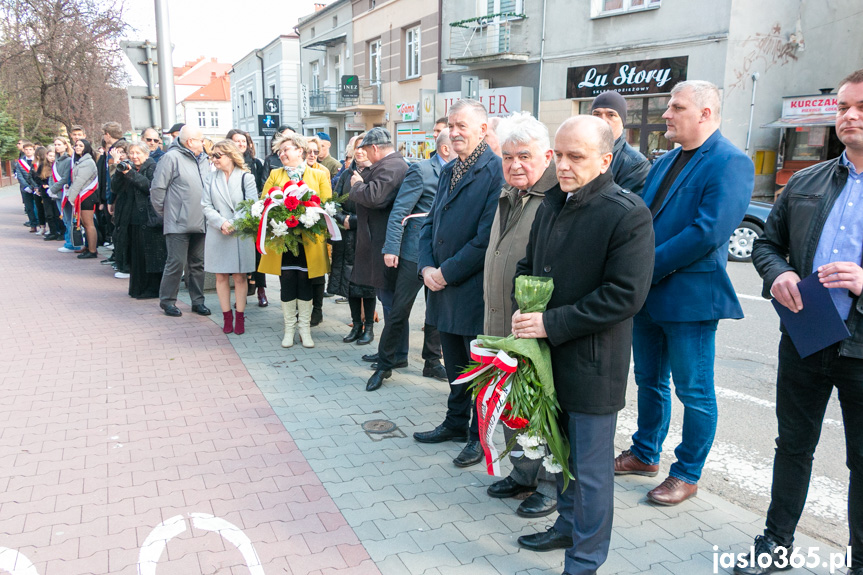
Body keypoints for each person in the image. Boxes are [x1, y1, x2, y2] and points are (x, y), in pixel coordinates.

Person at [512, 115, 655, 575]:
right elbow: (528, 262)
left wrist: (550, 323)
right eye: (558, 154)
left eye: (577, 156)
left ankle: (585, 560)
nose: (564, 165)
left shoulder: (626, 211)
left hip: (592, 363)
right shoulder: (553, 202)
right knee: (560, 454)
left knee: (592, 472)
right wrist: (522, 299)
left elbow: (625, 296)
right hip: (547, 355)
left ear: (605, 159)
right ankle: (567, 527)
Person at [739, 69, 863, 575]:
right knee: (792, 445)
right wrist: (779, 274)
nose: (849, 116)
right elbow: (767, 245)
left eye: (861, 108)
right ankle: (775, 543)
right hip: (806, 337)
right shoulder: (807, 180)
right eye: (843, 107)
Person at [614, 80, 754, 505]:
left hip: (690, 298)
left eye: (676, 108)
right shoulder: (666, 159)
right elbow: (640, 213)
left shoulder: (731, 162)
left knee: (694, 391)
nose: (666, 115)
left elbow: (707, 231)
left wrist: (645, 266)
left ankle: (687, 472)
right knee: (648, 381)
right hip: (648, 295)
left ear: (705, 113)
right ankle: (644, 453)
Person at [413, 99, 505, 468]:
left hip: (469, 289)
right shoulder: (450, 169)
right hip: (440, 286)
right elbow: (429, 223)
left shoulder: (495, 172)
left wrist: (445, 272)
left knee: (476, 369)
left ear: (483, 130)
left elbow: (486, 239)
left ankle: (477, 437)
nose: (454, 132)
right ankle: (453, 423)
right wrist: (425, 267)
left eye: (462, 126)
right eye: (451, 125)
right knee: (453, 368)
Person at [482, 112, 560, 518]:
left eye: (524, 156)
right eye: (508, 156)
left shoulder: (554, 198)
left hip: (534, 330)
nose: (515, 164)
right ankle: (523, 472)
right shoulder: (508, 193)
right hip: (500, 323)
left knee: (541, 409)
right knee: (512, 406)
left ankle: (549, 483)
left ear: (546, 156)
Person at [366, 130, 453, 392]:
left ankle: (432, 360)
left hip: (444, 254)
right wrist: (391, 247)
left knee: (436, 310)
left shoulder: (463, 172)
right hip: (414, 252)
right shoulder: (422, 170)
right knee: (400, 309)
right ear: (445, 149)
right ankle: (385, 364)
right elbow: (400, 210)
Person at [258, 132, 332, 348]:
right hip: (283, 240)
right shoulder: (275, 174)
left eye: (286, 150)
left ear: (300, 150)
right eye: (280, 151)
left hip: (309, 240)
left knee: (306, 283)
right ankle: (289, 329)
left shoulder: (318, 175)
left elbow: (328, 205)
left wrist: (307, 215)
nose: (282, 154)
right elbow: (264, 203)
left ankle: (305, 330)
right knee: (287, 282)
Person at [349, 127, 410, 350]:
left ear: (374, 148)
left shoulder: (392, 166)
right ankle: (391, 352)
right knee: (389, 304)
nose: (364, 154)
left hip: (387, 245)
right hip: (381, 244)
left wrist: (357, 185)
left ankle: (394, 353)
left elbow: (375, 197)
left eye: (365, 149)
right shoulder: (388, 165)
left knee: (392, 305)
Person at [150, 125, 211, 318]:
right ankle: (167, 301)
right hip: (177, 221)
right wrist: (167, 213)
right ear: (191, 141)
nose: (204, 142)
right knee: (175, 262)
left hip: (201, 220)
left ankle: (198, 301)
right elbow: (157, 190)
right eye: (201, 139)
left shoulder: (205, 159)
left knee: (197, 263)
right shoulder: (171, 158)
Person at [202, 140, 259, 335]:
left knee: (240, 276)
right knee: (220, 276)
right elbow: (206, 205)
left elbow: (252, 205)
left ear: (231, 155)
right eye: (212, 155)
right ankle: (227, 317)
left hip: (240, 232)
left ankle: (240, 317)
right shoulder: (210, 178)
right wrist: (221, 223)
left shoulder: (246, 178)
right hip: (218, 231)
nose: (214, 159)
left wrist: (234, 223)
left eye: (218, 155)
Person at [330, 134, 378, 345]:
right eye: (356, 148)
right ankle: (355, 326)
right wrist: (342, 218)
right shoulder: (346, 174)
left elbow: (378, 206)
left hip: (367, 235)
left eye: (363, 147)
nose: (359, 151)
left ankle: (369, 327)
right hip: (346, 236)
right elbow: (335, 200)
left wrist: (354, 220)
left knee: (367, 285)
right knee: (350, 284)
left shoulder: (376, 172)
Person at [227, 128, 268, 307]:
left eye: (244, 141)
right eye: (237, 141)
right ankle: (241, 294)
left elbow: (261, 187)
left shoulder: (256, 164)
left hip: (254, 214)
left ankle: (261, 291)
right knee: (238, 257)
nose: (241, 144)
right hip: (233, 215)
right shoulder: (227, 164)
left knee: (258, 255)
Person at [122, 143, 164, 300]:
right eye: (131, 153)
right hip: (134, 218)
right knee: (137, 256)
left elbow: (151, 188)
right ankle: (138, 288)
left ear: (146, 154)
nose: (134, 156)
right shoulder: (129, 168)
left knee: (152, 256)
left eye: (138, 153)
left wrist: (131, 174)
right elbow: (117, 188)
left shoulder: (153, 167)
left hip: (150, 219)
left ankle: (152, 289)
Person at [590, 90, 651, 196]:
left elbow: (625, 208)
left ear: (622, 122)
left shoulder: (636, 164)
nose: (603, 120)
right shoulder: (580, 153)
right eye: (597, 114)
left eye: (611, 115)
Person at [67, 139, 100, 259]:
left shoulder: (88, 162)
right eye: (76, 145)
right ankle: (88, 247)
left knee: (88, 223)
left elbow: (79, 182)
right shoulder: (80, 161)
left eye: (81, 145)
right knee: (84, 224)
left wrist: (71, 198)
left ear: (86, 147)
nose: (77, 147)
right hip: (81, 195)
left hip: (87, 196)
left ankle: (92, 250)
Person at [100, 121, 127, 248]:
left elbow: (112, 175)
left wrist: (109, 198)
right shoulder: (115, 148)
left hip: (117, 194)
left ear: (108, 135)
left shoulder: (116, 150)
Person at [109, 141, 133, 278]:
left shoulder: (130, 166)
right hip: (119, 202)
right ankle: (120, 262)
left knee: (124, 235)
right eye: (117, 152)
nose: (120, 155)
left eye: (122, 152)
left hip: (128, 205)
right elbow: (112, 184)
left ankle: (125, 265)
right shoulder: (117, 166)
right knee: (117, 234)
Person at [53, 137, 80, 253]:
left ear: (65, 145)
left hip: (64, 193)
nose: (57, 147)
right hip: (57, 193)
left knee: (69, 219)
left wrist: (53, 188)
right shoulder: (56, 160)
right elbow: (51, 177)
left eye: (59, 144)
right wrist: (51, 188)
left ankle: (71, 243)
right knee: (65, 219)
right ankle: (68, 241)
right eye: (55, 144)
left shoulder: (68, 160)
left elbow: (65, 178)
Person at [32, 147, 63, 240]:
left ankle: (61, 231)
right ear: (46, 156)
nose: (52, 158)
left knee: (58, 213)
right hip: (45, 192)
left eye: (53, 156)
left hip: (56, 191)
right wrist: (43, 184)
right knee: (49, 214)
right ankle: (53, 232)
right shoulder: (42, 165)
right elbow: (37, 177)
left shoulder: (58, 165)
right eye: (50, 156)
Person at [15, 141, 38, 233]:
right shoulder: (20, 162)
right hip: (25, 188)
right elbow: (19, 175)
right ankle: (33, 224)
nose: (28, 151)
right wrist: (26, 186)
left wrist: (35, 186)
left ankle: (40, 224)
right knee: (29, 207)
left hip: (36, 187)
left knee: (37, 207)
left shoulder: (37, 161)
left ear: (33, 150)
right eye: (26, 149)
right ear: (23, 150)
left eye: (30, 149)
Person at [29, 147, 50, 236]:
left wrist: (41, 186)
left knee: (47, 210)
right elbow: (30, 177)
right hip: (36, 190)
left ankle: (49, 227)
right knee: (39, 209)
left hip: (45, 189)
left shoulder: (47, 164)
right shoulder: (33, 165)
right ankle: (42, 227)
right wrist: (36, 187)